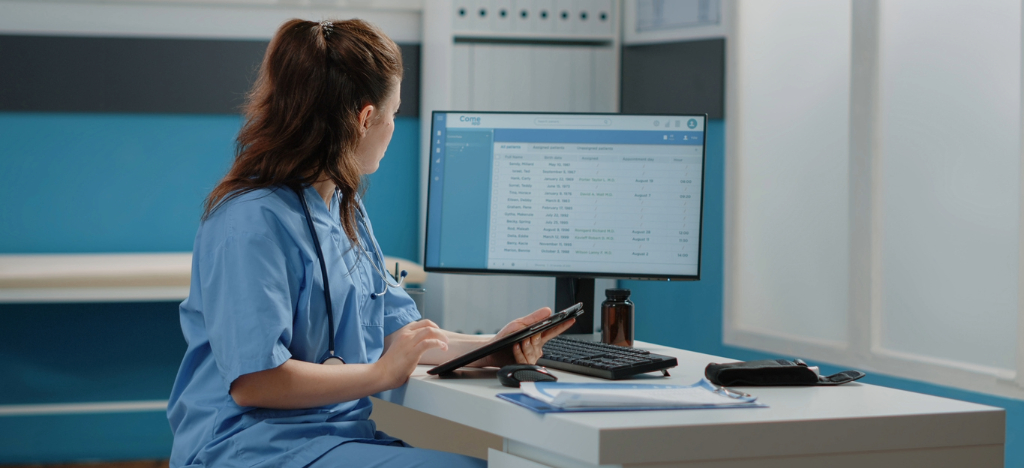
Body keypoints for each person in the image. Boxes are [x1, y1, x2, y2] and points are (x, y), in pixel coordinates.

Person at [166, 18, 574, 468]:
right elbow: (255, 382)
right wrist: (380, 373)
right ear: (365, 118)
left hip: (333, 438)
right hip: (252, 449)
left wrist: (490, 347)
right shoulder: (249, 223)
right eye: (394, 113)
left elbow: (400, 335)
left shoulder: (343, 206)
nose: (393, 126)